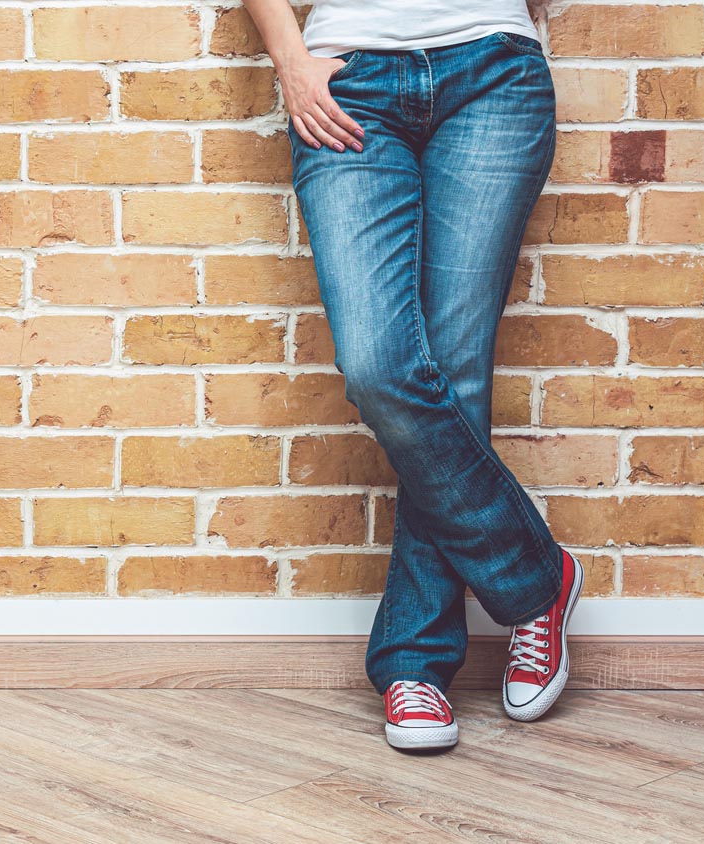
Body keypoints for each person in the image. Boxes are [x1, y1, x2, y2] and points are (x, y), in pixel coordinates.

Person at [240, 0, 583, 750]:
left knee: (456, 375)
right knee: (377, 364)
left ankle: (414, 667)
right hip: (347, 80)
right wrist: (291, 61)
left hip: (493, 73)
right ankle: (536, 579)